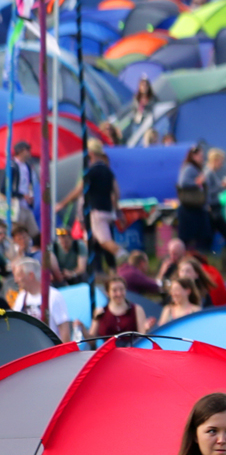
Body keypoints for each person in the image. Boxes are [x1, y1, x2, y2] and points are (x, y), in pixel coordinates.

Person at [81, 142, 119, 278]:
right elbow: (116, 192)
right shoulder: (108, 171)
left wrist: (62, 203)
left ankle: (128, 258)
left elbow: (80, 189)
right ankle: (98, 271)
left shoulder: (91, 171)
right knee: (90, 241)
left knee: (105, 242)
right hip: (107, 211)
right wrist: (116, 209)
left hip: (96, 211)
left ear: (90, 153)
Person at [88, 273, 139, 339]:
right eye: (114, 290)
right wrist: (82, 328)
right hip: (108, 349)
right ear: (107, 292)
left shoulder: (136, 309)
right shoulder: (100, 312)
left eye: (121, 289)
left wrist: (146, 329)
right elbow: (91, 340)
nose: (119, 294)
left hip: (130, 348)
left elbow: (143, 339)